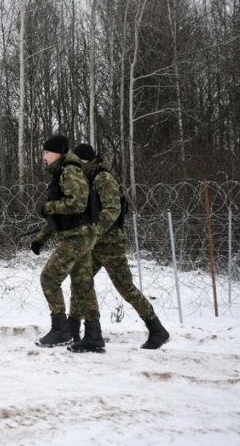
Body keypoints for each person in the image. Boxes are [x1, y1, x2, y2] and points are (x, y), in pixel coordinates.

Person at [69, 143, 169, 350]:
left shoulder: (103, 178)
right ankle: (72, 330)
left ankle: (157, 330)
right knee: (79, 282)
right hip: (94, 244)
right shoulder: (86, 179)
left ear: (84, 161)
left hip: (110, 244)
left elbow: (112, 210)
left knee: (126, 288)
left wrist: (93, 229)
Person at [30, 135, 103, 351]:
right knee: (83, 285)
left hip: (77, 236)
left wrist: (49, 207)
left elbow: (76, 204)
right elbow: (65, 216)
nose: (44, 157)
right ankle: (93, 336)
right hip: (81, 234)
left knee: (49, 278)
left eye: (46, 153)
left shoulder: (69, 170)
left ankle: (61, 330)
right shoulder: (65, 170)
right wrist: (40, 238)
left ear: (58, 153)